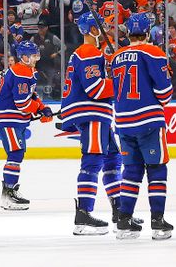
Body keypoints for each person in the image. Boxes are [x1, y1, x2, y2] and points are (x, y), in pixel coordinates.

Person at [60, 12, 127, 236]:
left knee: (112, 158)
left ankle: (118, 210)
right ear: (91, 30)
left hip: (96, 113)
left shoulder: (90, 52)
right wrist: (120, 81)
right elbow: (95, 89)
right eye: (100, 25)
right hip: (92, 112)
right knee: (93, 160)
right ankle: (84, 215)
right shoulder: (89, 51)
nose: (104, 28)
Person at [110, 13, 173, 240]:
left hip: (123, 122)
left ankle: (124, 221)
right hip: (148, 121)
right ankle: (157, 221)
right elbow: (165, 93)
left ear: (127, 33)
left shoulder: (116, 57)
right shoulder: (154, 52)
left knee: (131, 172)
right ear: (148, 33)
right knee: (156, 169)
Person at [0, 40, 53, 210]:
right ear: (24, 57)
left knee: (17, 153)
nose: (36, 58)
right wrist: (38, 112)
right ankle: (8, 195)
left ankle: (10, 192)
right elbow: (22, 103)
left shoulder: (27, 71)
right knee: (16, 153)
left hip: (14, 118)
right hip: (8, 118)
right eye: (33, 55)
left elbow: (30, 96)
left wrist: (42, 107)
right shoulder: (20, 72)